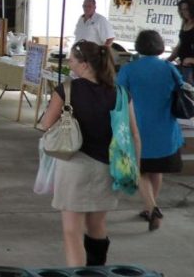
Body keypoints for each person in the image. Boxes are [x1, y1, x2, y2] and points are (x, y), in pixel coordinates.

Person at [39, 41, 140, 267]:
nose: (69, 63)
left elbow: (46, 124)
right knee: (97, 225)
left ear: (84, 64)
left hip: (74, 166)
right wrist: (136, 168)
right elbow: (134, 135)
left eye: (72, 60)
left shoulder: (66, 90)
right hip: (108, 167)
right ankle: (97, 270)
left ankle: (78, 273)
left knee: (71, 231)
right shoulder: (121, 93)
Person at [118, 30, 183, 231]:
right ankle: (150, 207)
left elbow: (118, 94)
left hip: (138, 128)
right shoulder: (168, 68)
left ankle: (152, 207)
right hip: (165, 129)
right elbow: (181, 88)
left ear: (139, 45)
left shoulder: (129, 69)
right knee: (157, 169)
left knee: (140, 169)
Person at [167, 0, 194, 83]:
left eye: (187, 9)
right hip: (183, 66)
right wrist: (168, 60)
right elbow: (180, 45)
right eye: (182, 10)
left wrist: (191, 60)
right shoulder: (185, 23)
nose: (185, 12)